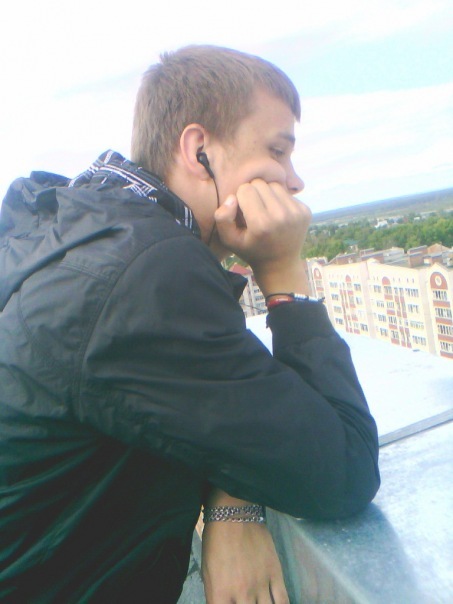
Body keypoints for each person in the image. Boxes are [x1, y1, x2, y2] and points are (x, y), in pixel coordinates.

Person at [0, 45, 380, 603]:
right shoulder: (148, 275)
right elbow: (344, 468)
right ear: (199, 150)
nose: (294, 181)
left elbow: (189, 401)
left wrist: (232, 499)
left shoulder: (71, 223)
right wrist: (283, 276)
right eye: (277, 151)